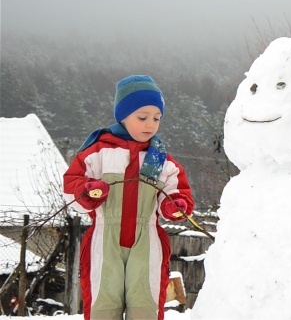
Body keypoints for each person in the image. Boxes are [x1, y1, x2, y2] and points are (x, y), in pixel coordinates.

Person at [63, 75, 195, 320]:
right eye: (142, 117)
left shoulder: (159, 158)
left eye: (157, 118)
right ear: (123, 116)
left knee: (145, 303)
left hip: (147, 241)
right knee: (104, 302)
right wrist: (90, 189)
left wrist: (174, 206)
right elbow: (72, 184)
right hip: (105, 240)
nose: (151, 124)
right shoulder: (99, 152)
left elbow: (178, 192)